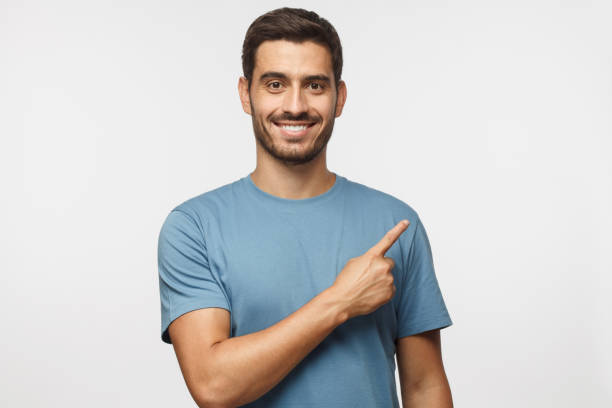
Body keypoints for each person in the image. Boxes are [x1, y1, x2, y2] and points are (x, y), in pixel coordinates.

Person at [157, 7, 453, 407]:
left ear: (340, 97)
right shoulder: (193, 228)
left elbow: (424, 387)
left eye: (314, 85)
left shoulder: (396, 224)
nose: (295, 106)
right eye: (275, 84)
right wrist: (340, 302)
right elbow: (213, 386)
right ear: (246, 94)